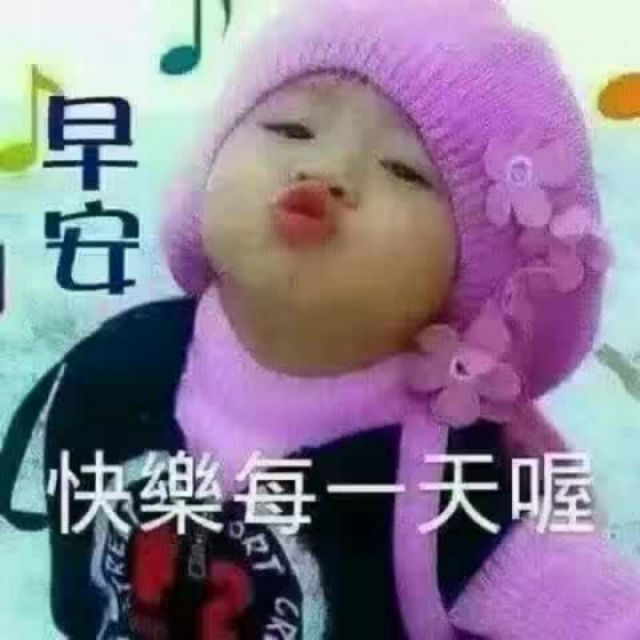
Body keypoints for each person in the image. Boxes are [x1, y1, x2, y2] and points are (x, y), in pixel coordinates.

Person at [2, 0, 640, 637]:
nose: (326, 171)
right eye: (292, 129)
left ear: (477, 283)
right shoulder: (119, 367)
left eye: (403, 170)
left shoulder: (453, 488)